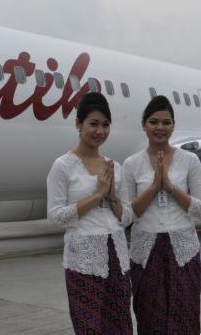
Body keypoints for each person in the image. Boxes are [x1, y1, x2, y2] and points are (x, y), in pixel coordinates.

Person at [46, 92, 133, 335]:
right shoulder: (63, 166)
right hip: (83, 259)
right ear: (78, 124)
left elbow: (126, 217)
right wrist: (96, 196)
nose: (100, 131)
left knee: (121, 325)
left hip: (117, 257)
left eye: (105, 125)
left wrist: (112, 194)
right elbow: (54, 217)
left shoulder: (114, 166)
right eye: (93, 124)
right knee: (89, 328)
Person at [122, 95, 201, 335]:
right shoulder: (131, 164)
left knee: (185, 317)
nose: (160, 127)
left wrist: (170, 186)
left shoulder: (189, 160)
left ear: (173, 125)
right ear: (143, 124)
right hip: (145, 253)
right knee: (149, 318)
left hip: (183, 252)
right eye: (153, 121)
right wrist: (153, 187)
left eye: (166, 122)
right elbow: (126, 216)